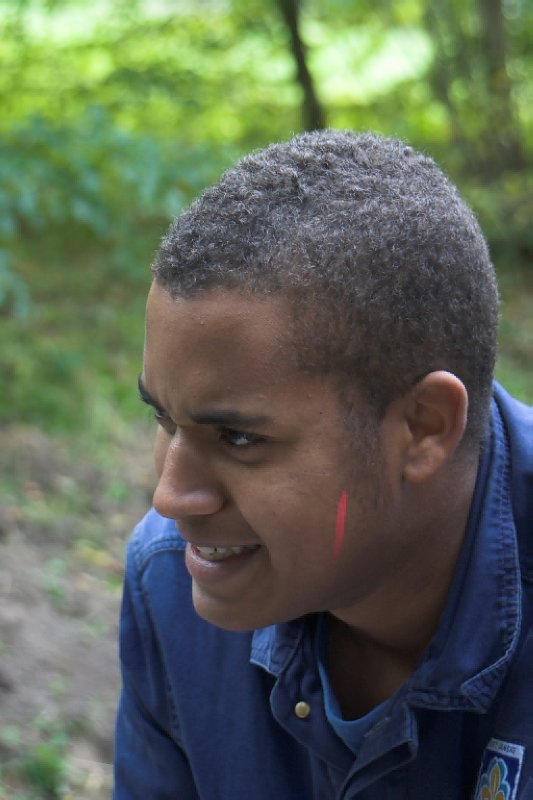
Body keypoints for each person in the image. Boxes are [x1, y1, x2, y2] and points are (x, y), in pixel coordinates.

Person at [113, 130, 532, 799]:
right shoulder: (169, 584)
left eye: (238, 439)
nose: (170, 497)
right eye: (163, 419)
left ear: (423, 428)